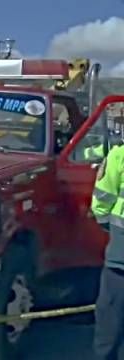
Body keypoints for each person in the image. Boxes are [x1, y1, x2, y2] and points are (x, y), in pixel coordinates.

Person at [92, 145, 124, 360]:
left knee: (110, 320)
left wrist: (107, 224)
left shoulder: (119, 154)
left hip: (121, 258)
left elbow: (102, 200)